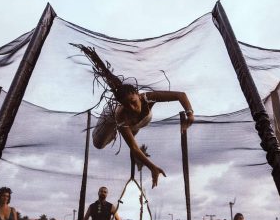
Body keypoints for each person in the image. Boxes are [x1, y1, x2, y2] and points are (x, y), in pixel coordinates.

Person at [72, 44, 195, 188]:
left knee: (133, 134)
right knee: (98, 144)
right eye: (127, 105)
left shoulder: (148, 98)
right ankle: (115, 130)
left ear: (138, 95)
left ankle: (125, 131)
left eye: (133, 102)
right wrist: (152, 167)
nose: (132, 107)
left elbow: (180, 95)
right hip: (112, 118)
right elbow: (134, 148)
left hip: (139, 122)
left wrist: (190, 114)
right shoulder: (121, 114)